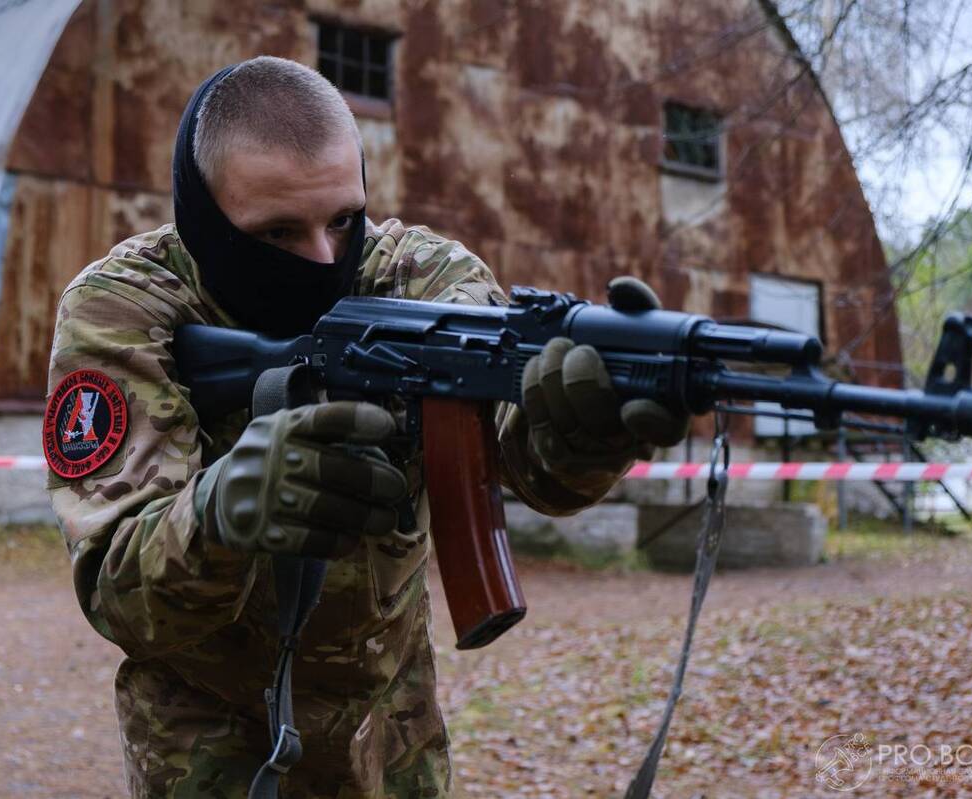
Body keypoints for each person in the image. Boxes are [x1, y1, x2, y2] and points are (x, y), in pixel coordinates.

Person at [45, 56, 688, 798]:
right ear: (206, 218)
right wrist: (220, 513)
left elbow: (535, 468)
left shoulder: (424, 280)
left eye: (343, 219)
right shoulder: (126, 308)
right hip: (209, 751)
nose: (324, 257)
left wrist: (589, 427)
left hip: (393, 741)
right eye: (279, 231)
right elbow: (120, 596)